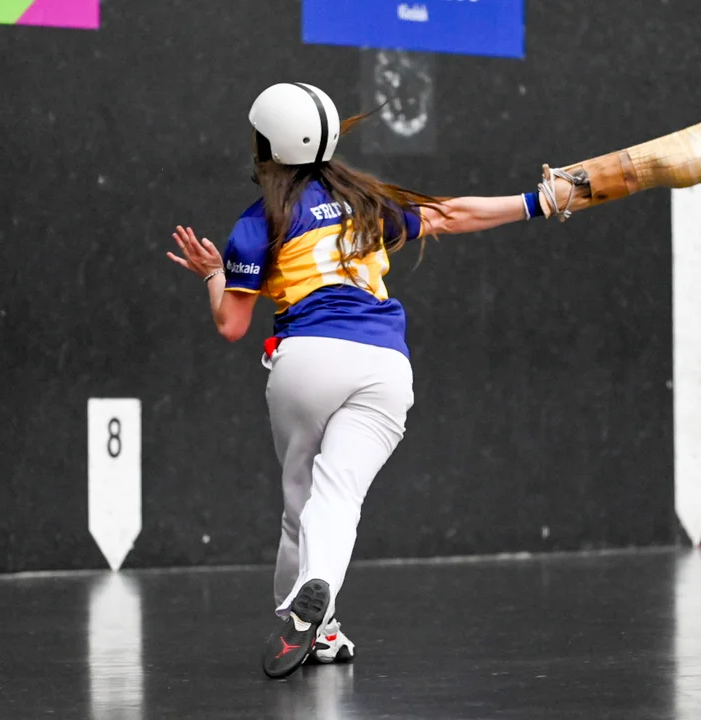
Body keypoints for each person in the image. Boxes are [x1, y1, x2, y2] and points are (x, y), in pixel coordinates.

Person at [167, 82, 549, 679]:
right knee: (338, 494)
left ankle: (306, 606)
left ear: (267, 146)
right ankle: (323, 627)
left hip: (307, 361)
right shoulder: (367, 203)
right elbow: (453, 214)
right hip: (385, 367)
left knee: (301, 503)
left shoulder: (258, 222)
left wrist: (215, 274)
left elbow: (232, 325)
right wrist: (537, 201)